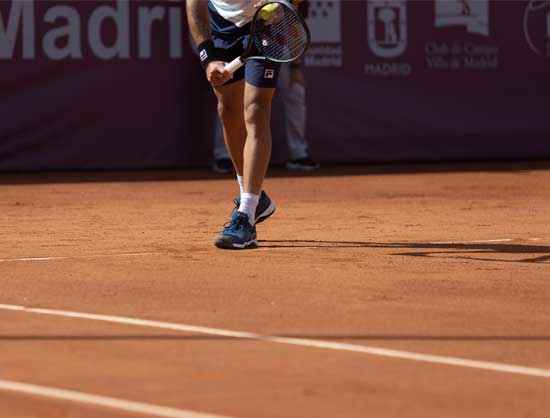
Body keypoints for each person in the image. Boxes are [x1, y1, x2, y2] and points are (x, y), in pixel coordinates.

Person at [187, 0, 297, 249]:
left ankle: (246, 215)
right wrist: (208, 57)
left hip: (266, 23)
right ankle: (256, 199)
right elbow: (194, 5)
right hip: (221, 25)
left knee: (256, 108)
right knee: (228, 109)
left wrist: (283, 2)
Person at [212, 60, 320, 173]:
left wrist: (295, 67)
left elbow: (296, 42)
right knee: (230, 101)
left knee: (295, 90)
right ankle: (224, 155)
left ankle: (298, 154)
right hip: (236, 52)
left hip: (275, 53)